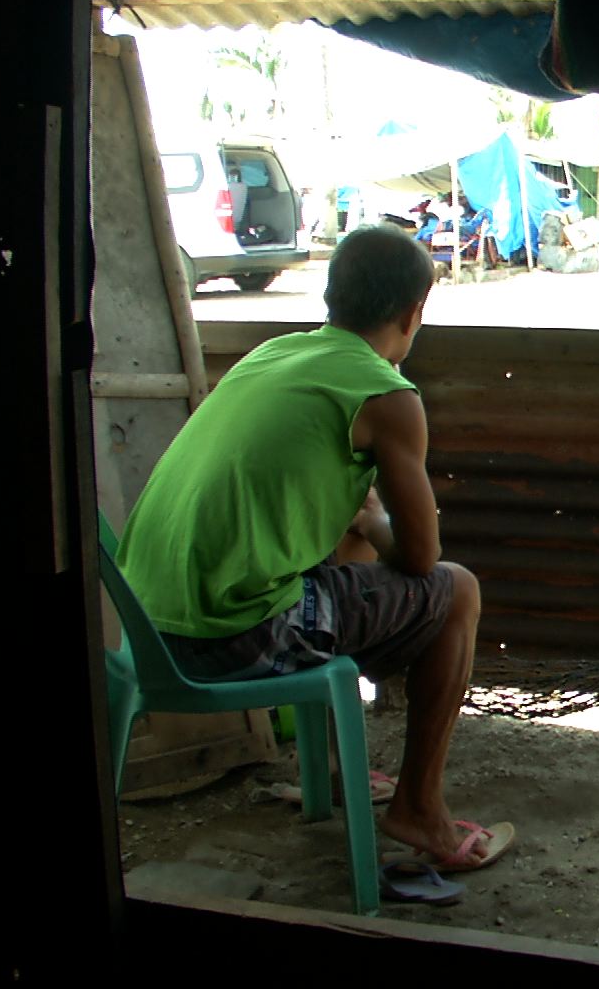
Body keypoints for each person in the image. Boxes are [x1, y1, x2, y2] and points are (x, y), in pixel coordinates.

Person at [114, 225, 512, 872]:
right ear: (413, 313)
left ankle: (330, 768)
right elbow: (421, 559)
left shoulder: (271, 356)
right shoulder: (386, 395)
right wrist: (377, 521)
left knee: (342, 542)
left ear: (332, 296)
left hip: (144, 634)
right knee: (458, 590)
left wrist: (360, 523)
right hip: (228, 640)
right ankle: (419, 807)